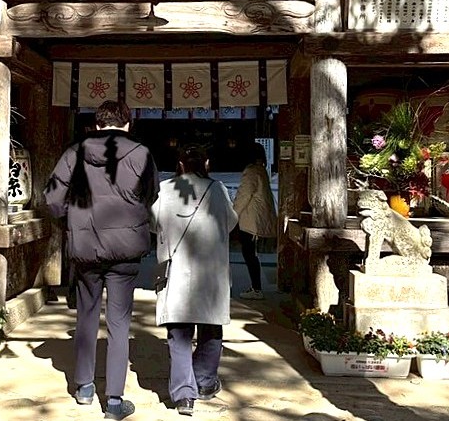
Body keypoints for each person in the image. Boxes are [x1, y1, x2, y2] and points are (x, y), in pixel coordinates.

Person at [43, 100, 159, 421]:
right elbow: (152, 194)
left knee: (86, 315)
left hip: (86, 247)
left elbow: (52, 197)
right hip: (126, 249)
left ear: (96, 125)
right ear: (128, 124)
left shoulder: (74, 153)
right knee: (120, 322)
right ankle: (115, 400)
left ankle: (84, 387)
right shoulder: (141, 153)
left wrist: (73, 220)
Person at [151, 146, 238, 415]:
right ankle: (204, 382)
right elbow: (231, 222)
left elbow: (153, 222)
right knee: (210, 329)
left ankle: (183, 396)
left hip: (177, 269)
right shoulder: (218, 190)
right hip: (211, 271)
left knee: (178, 333)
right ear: (207, 164)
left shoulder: (165, 189)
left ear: (180, 165)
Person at [233, 141, 278, 299]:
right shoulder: (261, 170)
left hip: (250, 219)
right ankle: (256, 287)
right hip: (256, 218)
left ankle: (256, 288)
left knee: (249, 253)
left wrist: (232, 214)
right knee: (251, 253)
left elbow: (243, 196)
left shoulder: (251, 172)